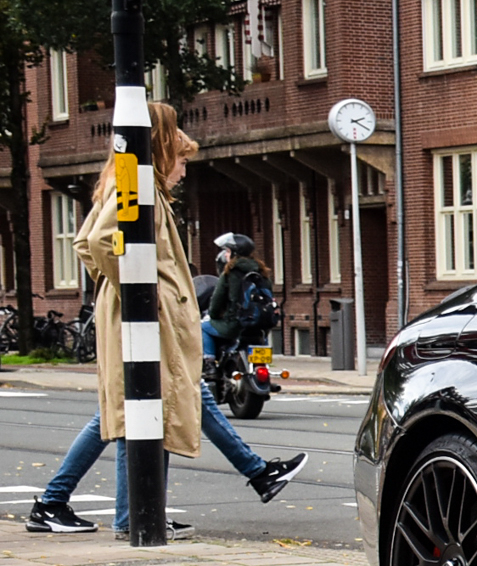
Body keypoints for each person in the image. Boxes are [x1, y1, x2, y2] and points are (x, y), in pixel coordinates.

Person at [23, 104, 306, 536]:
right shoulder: (139, 189)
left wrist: (120, 286)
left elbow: (84, 243)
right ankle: (130, 513)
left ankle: (90, 504)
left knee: (149, 404)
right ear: (162, 151)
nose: (186, 170)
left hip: (141, 320)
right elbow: (96, 242)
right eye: (183, 159)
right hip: (145, 322)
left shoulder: (126, 184)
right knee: (143, 408)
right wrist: (138, 292)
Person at [203, 231, 275, 359]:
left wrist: (213, 315)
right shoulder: (262, 273)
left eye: (228, 251)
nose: (225, 254)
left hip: (236, 325)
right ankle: (262, 361)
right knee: (259, 339)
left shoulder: (230, 273)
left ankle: (209, 363)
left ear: (235, 254)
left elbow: (217, 301)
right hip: (261, 326)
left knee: (202, 328)